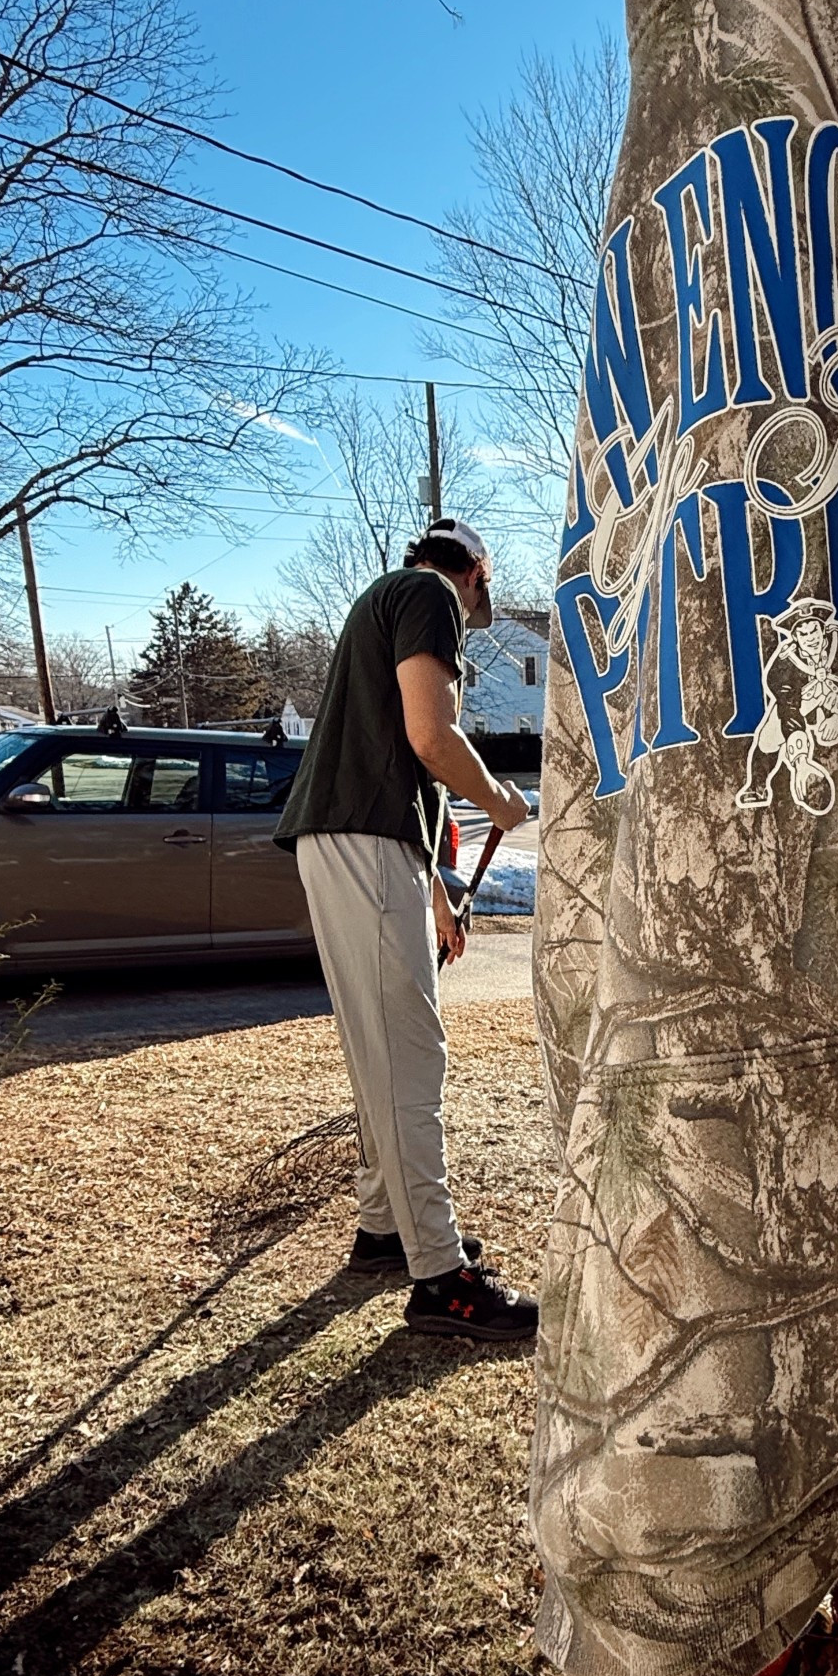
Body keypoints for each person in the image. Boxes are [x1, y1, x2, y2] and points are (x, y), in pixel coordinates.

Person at [275, 518, 536, 1341]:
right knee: (409, 1054)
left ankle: (385, 1229)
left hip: (356, 842)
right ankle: (440, 1277)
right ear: (475, 572)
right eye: (486, 586)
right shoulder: (428, 593)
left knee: (378, 1053)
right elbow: (431, 737)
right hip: (361, 844)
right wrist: (501, 801)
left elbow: (398, 777)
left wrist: (437, 904)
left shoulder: (382, 601)